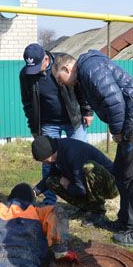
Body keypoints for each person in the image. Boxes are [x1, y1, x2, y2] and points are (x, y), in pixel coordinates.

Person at [52, 51, 133, 249]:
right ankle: (126, 223)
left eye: (60, 79)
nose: (63, 84)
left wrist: (116, 130)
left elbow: (114, 100)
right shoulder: (86, 72)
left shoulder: (90, 69)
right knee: (123, 173)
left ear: (66, 68)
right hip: (132, 119)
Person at [20, 43, 94, 205]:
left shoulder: (63, 63)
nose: (35, 71)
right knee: (48, 162)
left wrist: (87, 111)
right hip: (48, 124)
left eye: (38, 66)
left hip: (73, 120)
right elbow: (28, 103)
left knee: (82, 161)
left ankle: (88, 202)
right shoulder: (26, 74)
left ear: (46, 59)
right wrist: (34, 127)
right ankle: (50, 201)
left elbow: (80, 87)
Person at [31, 135, 118, 227]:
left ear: (49, 154)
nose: (44, 163)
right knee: (51, 181)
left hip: (111, 185)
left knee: (89, 168)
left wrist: (67, 186)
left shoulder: (72, 152)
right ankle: (86, 208)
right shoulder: (56, 151)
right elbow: (51, 175)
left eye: (43, 160)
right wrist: (33, 192)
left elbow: (81, 189)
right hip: (85, 185)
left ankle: (98, 212)